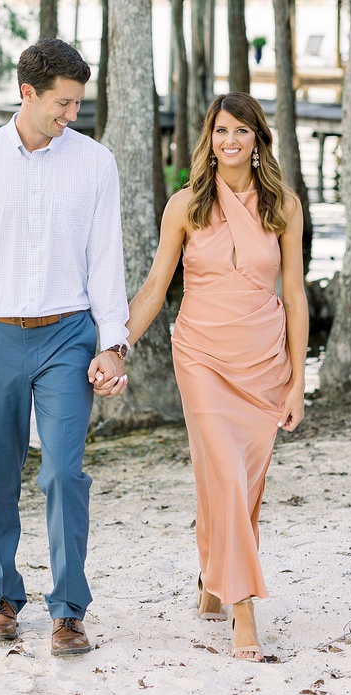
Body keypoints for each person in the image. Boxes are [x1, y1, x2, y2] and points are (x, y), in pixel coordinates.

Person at [0, 38, 130, 658]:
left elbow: (106, 261)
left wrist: (113, 343)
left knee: (64, 472)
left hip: (69, 334)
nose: (72, 115)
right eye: (62, 103)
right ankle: (3, 596)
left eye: (78, 104)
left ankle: (68, 610)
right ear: (27, 93)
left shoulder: (95, 163)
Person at [126, 93, 308, 662]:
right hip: (201, 355)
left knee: (239, 482)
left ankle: (211, 579)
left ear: (258, 140)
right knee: (226, 474)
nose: (231, 141)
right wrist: (117, 346)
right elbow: (157, 286)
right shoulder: (185, 205)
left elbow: (296, 295)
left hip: (263, 363)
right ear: (210, 137)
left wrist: (299, 380)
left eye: (242, 131)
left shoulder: (283, 205)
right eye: (222, 130)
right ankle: (243, 609)